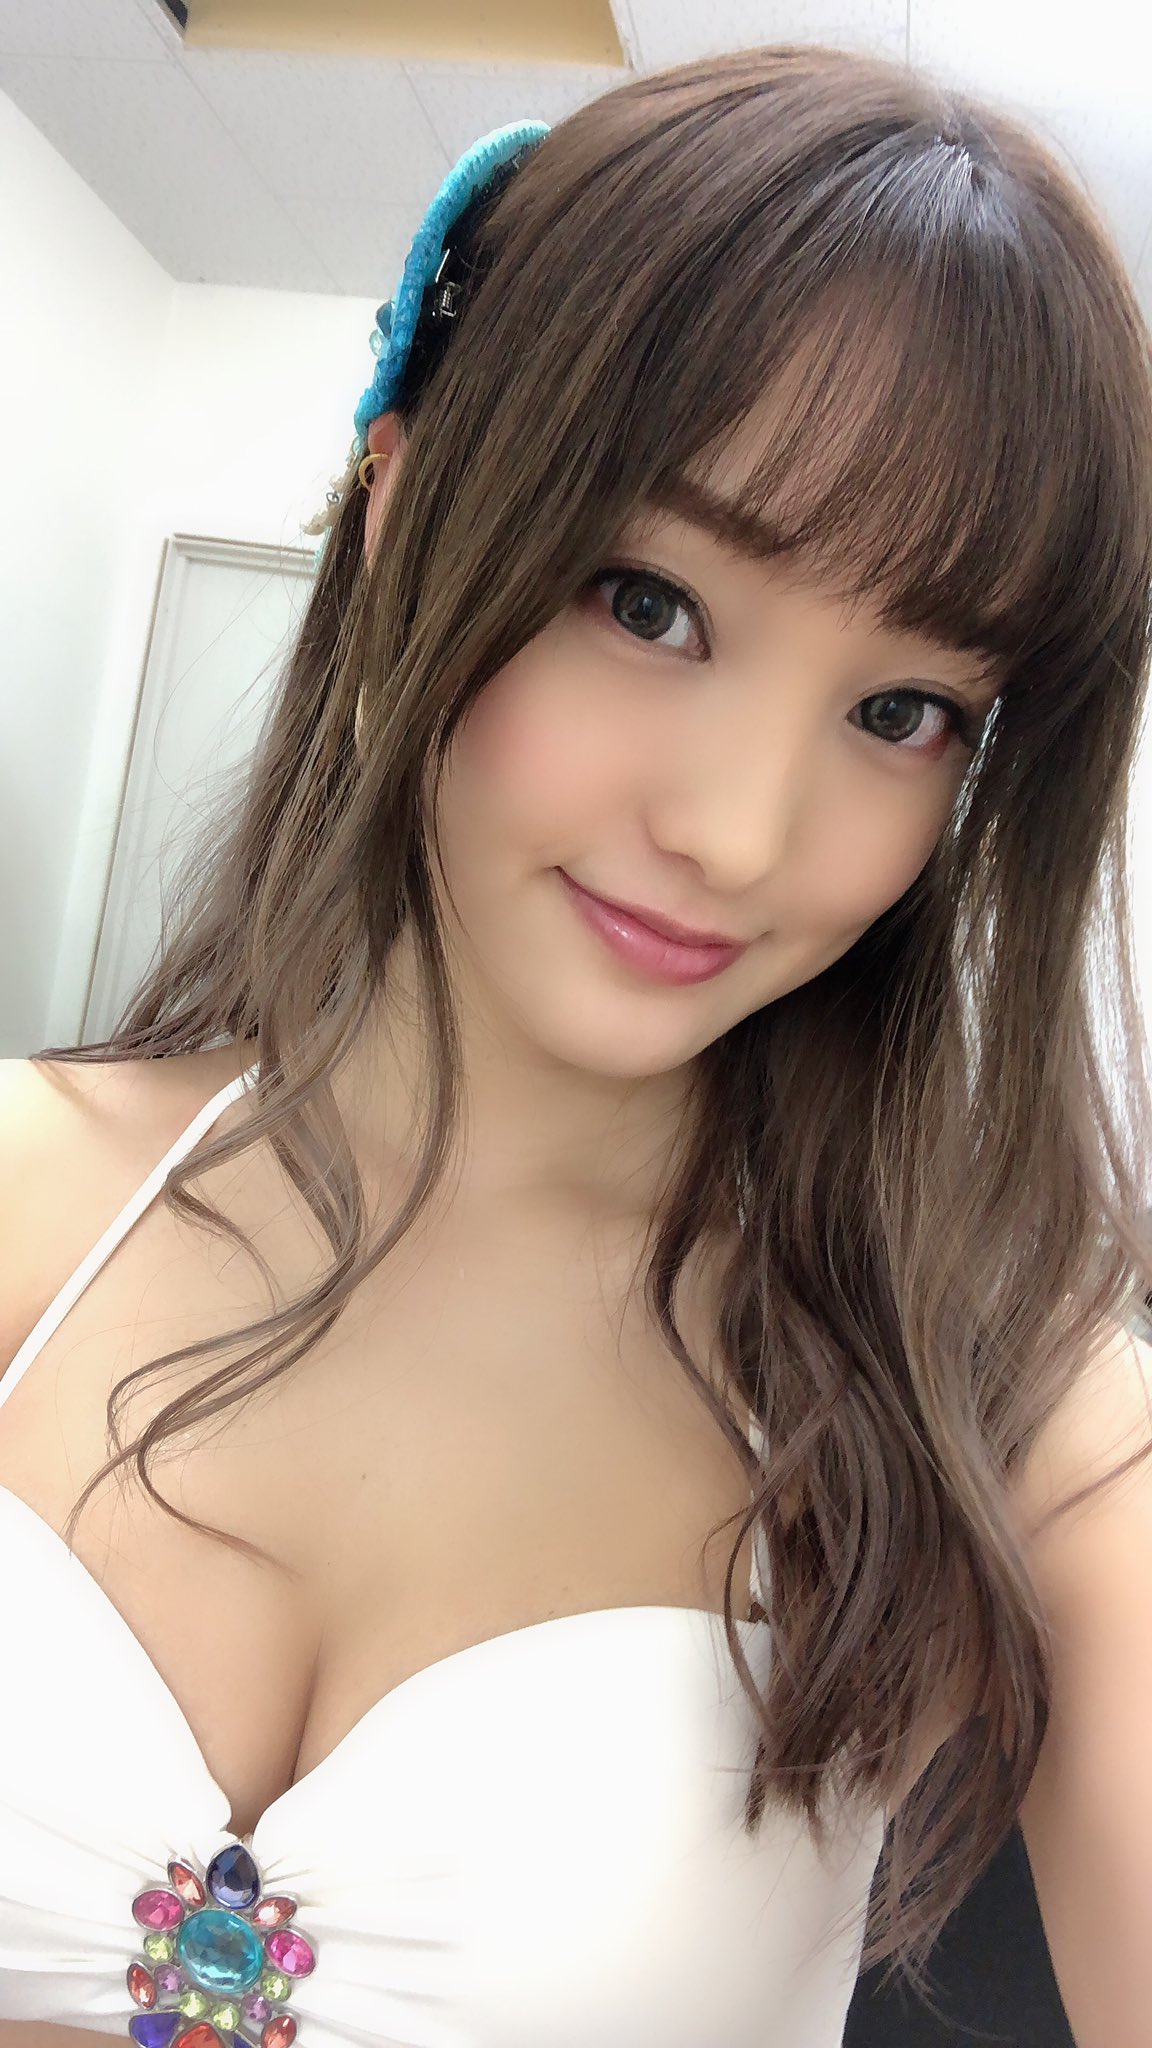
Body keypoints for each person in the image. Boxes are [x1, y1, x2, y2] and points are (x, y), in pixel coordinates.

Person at [2, 37, 1151, 2048]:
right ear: (405, 509)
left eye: (903, 713)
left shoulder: (1002, 1412)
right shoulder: (24, 1187)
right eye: (651, 601)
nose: (740, 834)